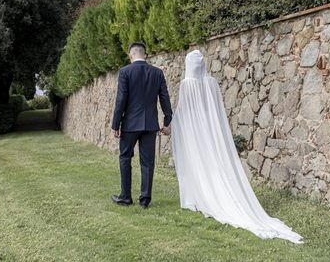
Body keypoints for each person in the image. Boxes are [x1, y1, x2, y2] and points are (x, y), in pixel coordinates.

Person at [171, 50, 303, 243]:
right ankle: (213, 194)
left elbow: (182, 111)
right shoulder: (212, 83)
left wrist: (171, 124)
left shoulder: (186, 85)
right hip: (212, 132)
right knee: (216, 165)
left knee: (202, 164)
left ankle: (206, 197)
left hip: (196, 132)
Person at [111, 42, 172, 208]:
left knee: (125, 158)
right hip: (150, 124)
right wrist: (167, 121)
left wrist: (115, 124)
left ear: (131, 55)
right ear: (145, 55)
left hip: (130, 124)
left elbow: (121, 100)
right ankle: (145, 200)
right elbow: (165, 98)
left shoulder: (125, 72)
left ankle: (125, 197)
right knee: (147, 162)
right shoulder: (157, 73)